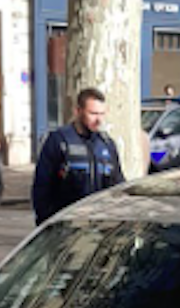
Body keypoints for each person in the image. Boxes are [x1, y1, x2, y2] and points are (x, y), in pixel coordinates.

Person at [32, 87, 125, 225]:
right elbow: (42, 188)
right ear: (78, 111)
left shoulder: (107, 145)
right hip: (66, 228)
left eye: (102, 114)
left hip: (101, 228)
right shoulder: (59, 141)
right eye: (93, 113)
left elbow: (118, 186)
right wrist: (49, 225)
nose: (98, 120)